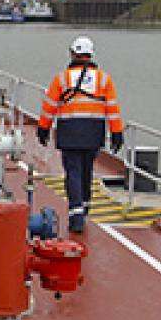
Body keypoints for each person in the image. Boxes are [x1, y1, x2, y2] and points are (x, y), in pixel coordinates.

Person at [37, 36, 124, 235]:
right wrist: (117, 133)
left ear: (73, 54)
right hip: (93, 131)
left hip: (70, 130)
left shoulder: (62, 78)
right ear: (91, 54)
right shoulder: (104, 79)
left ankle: (76, 215)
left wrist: (44, 128)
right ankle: (84, 207)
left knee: (73, 172)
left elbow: (50, 106)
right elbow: (112, 108)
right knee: (87, 170)